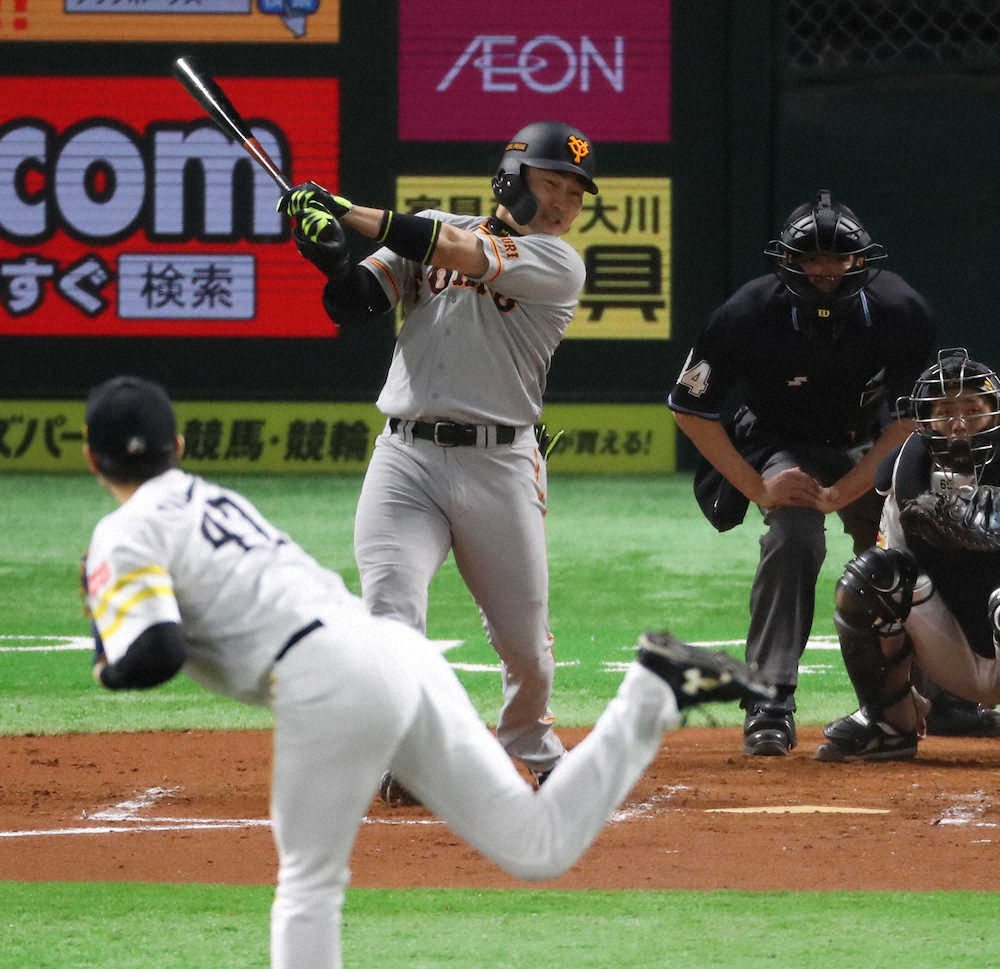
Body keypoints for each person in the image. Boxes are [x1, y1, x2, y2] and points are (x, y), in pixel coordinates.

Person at [80, 374, 774, 969]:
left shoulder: (123, 531)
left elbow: (157, 651)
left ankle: (653, 691)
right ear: (179, 446)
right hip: (394, 651)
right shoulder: (210, 497)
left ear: (91, 458)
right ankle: (650, 690)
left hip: (326, 683)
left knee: (308, 885)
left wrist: (107, 668)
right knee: (537, 845)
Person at [277, 121, 597, 799]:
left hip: (499, 463)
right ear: (512, 179)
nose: (567, 201)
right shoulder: (427, 228)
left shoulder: (558, 262)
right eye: (552, 182)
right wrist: (326, 251)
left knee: (525, 646)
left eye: (576, 190)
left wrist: (343, 208)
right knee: (391, 610)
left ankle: (533, 746)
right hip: (405, 459)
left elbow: (454, 247)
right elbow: (353, 303)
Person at [667, 189, 937, 756]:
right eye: (812, 259)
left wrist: (849, 489)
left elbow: (914, 418)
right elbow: (690, 408)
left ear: (861, 261)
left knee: (905, 545)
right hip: (780, 441)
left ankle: (918, 697)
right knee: (792, 534)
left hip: (868, 442)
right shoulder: (745, 313)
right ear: (786, 262)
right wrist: (757, 486)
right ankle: (768, 701)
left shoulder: (901, 311)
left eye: (839, 259)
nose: (826, 272)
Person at [815, 348, 1000, 761]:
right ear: (922, 419)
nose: (958, 425)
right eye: (945, 411)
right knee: (871, 580)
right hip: (952, 651)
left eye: (973, 409)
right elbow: (891, 566)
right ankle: (889, 720)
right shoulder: (906, 470)